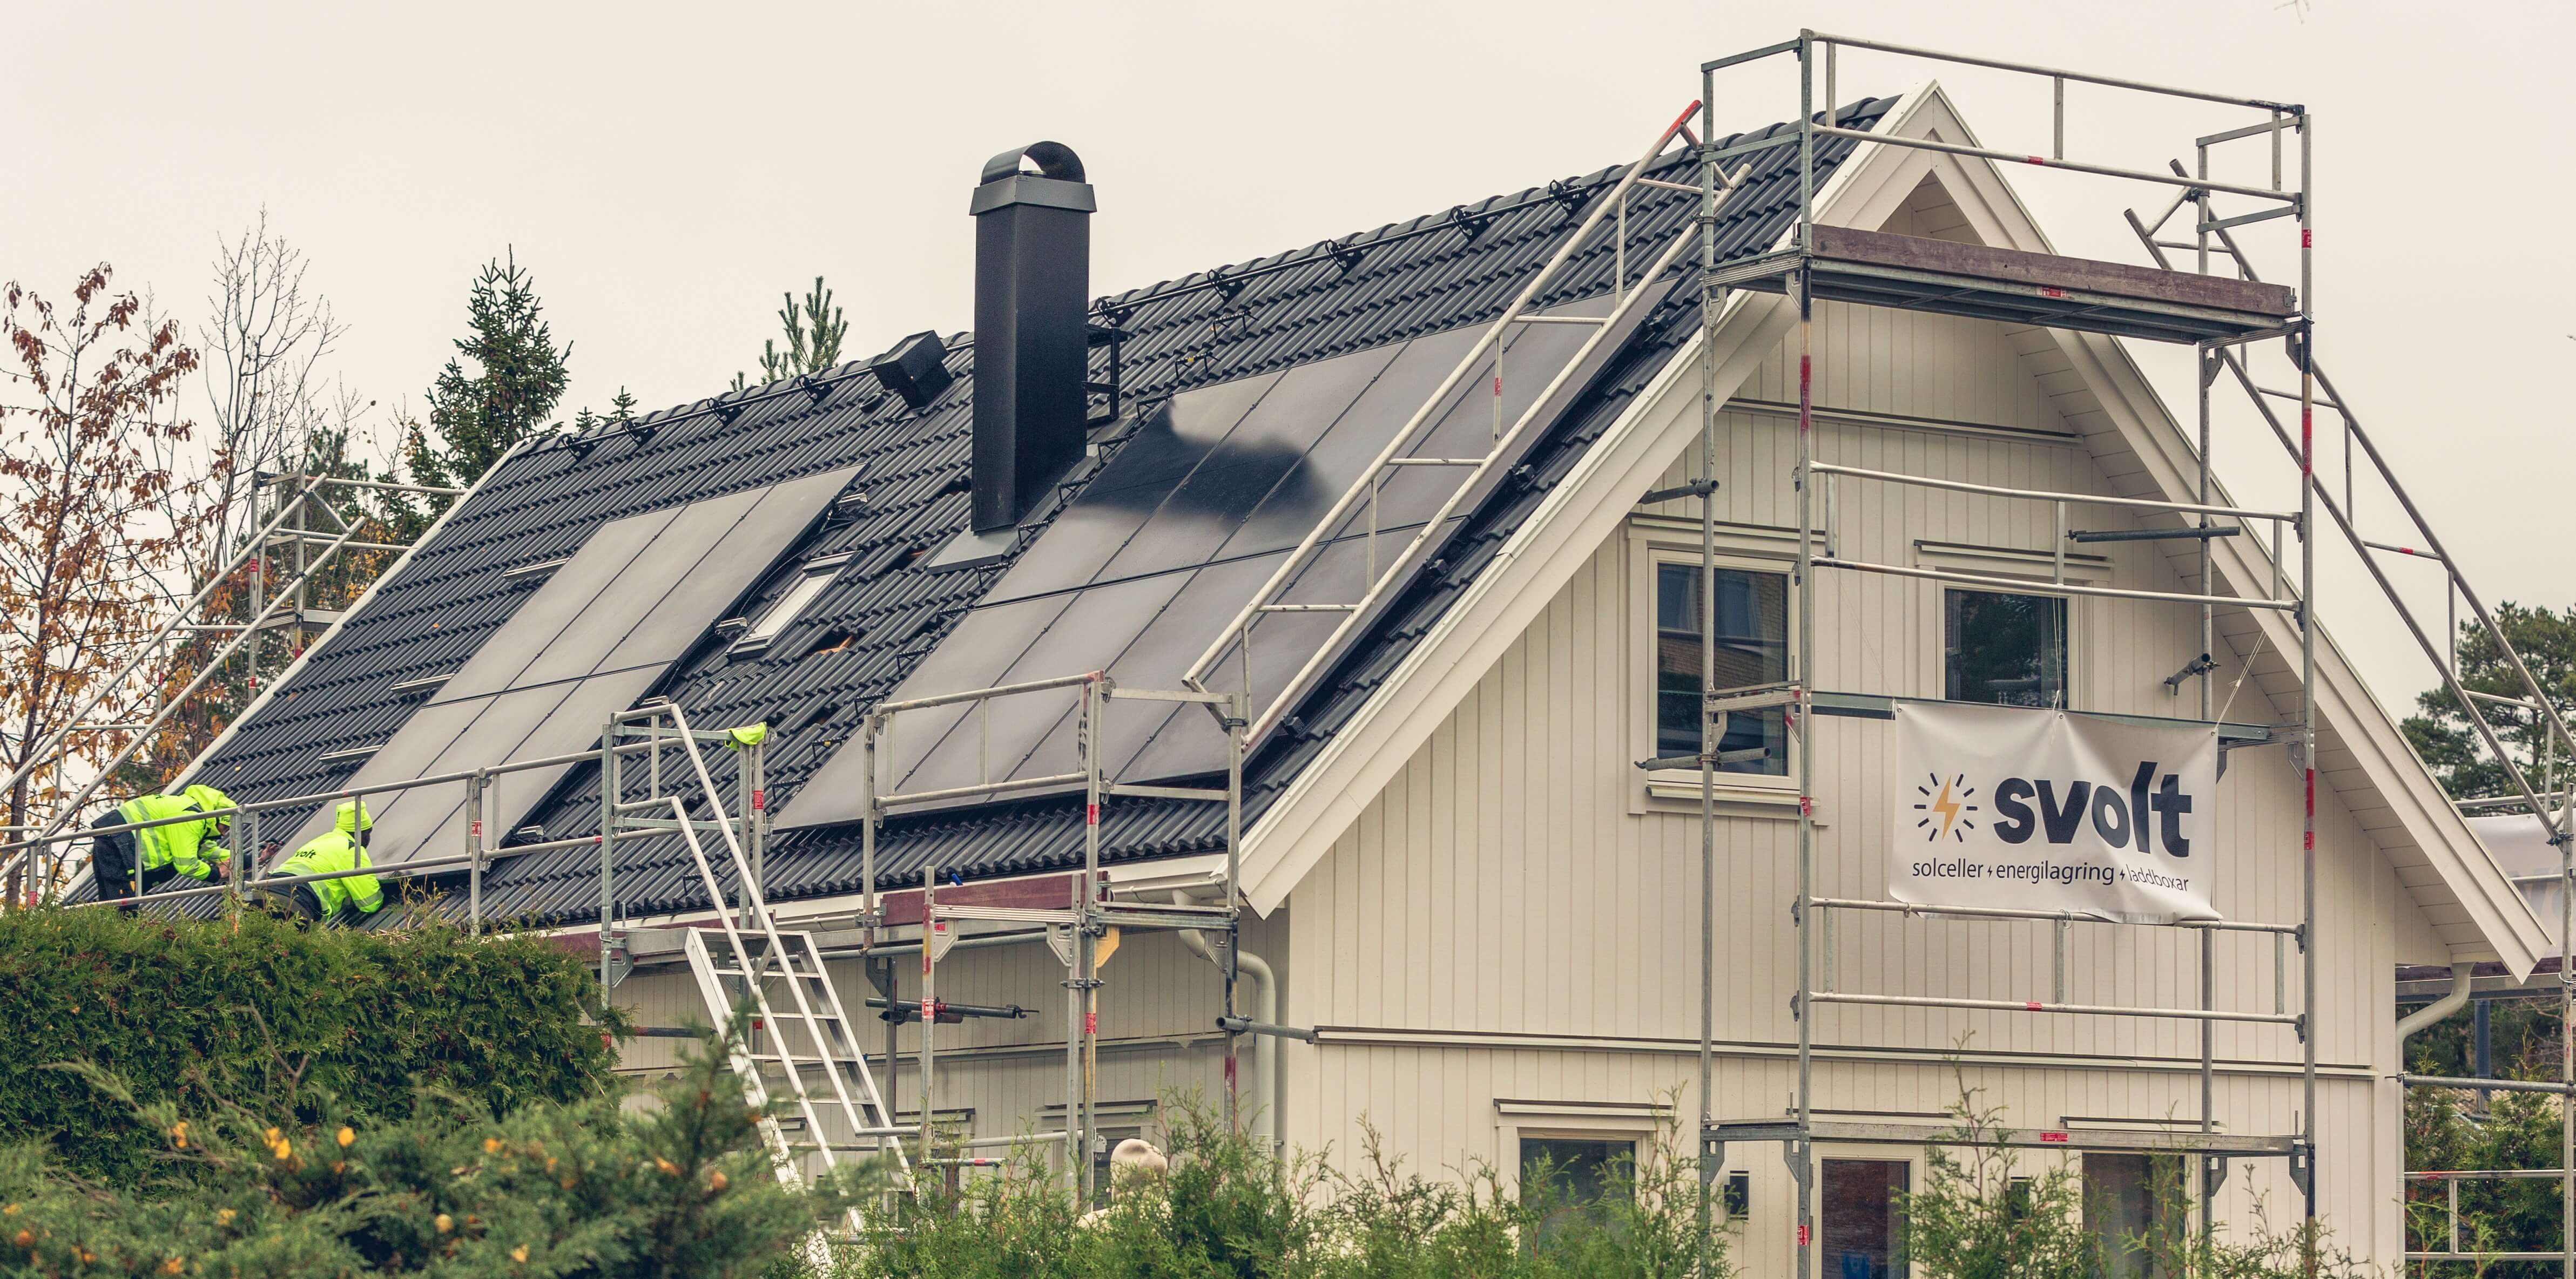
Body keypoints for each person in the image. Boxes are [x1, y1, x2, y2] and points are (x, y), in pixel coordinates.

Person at [90, 784, 235, 910]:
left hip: (112, 838)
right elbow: (186, 865)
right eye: (225, 828)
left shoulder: (194, 812)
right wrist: (217, 873)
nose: (224, 834)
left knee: (110, 903)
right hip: (119, 843)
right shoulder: (192, 817)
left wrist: (243, 859)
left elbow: (206, 850)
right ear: (217, 818)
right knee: (124, 904)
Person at [268, 799, 383, 925]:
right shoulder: (352, 849)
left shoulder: (318, 841)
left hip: (265, 889)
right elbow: (370, 904)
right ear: (364, 833)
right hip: (296, 901)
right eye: (369, 833)